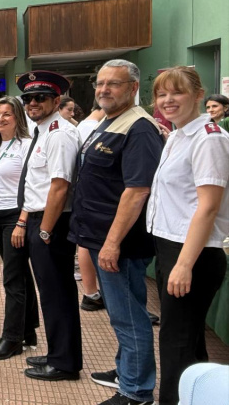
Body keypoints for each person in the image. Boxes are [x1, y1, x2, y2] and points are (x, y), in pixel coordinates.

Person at [69, 60, 164, 405]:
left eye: (114, 84)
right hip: (100, 237)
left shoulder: (139, 128)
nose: (104, 89)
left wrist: (112, 244)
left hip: (120, 243)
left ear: (133, 88)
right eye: (100, 83)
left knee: (129, 317)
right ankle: (127, 369)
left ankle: (136, 391)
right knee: (121, 312)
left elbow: (137, 191)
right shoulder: (110, 122)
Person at [145, 66, 229, 405]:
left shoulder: (209, 138)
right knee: (187, 342)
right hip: (171, 246)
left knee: (177, 343)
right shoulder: (179, 135)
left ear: (198, 95)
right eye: (161, 94)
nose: (168, 100)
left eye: (176, 92)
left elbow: (208, 207)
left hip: (193, 252)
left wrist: (183, 265)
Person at [14, 70, 82, 381]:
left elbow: (59, 186)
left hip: (51, 223)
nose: (33, 103)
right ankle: (58, 353)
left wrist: (44, 230)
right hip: (40, 220)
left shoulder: (60, 134)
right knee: (51, 293)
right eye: (28, 98)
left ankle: (64, 363)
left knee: (58, 294)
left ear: (56, 101)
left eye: (40, 97)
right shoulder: (43, 130)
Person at [0, 97, 40, 361]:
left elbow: (32, 185)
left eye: (7, 114)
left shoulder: (26, 146)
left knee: (12, 280)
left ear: (18, 117)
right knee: (21, 276)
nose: (0, 119)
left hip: (15, 217)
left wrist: (22, 222)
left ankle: (12, 338)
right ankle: (28, 330)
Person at [73, 100, 106, 309]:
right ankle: (92, 291)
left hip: (86, 193)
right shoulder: (94, 128)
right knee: (87, 243)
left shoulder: (82, 126)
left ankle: (91, 292)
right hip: (91, 193)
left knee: (85, 242)